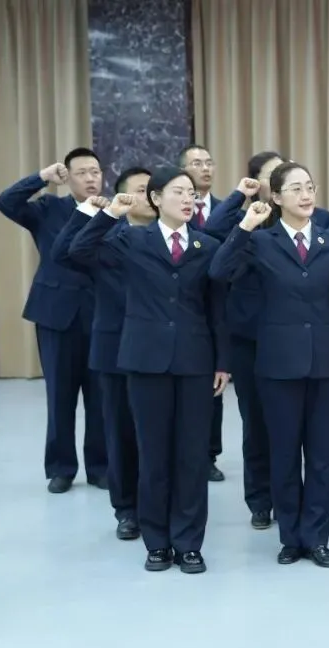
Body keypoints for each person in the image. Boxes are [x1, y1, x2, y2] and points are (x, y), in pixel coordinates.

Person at [69, 167, 230, 574]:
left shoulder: (206, 245)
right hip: (145, 361)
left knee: (191, 457)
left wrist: (223, 363)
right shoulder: (132, 239)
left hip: (195, 361)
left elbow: (217, 308)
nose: (189, 199)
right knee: (154, 454)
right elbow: (79, 250)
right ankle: (157, 543)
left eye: (192, 193)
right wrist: (110, 213)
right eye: (179, 192)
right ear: (156, 198)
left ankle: (189, 544)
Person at [210, 162, 329, 568]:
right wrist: (245, 226)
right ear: (275, 197)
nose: (306, 194)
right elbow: (219, 271)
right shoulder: (261, 241)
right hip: (277, 364)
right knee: (284, 453)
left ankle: (318, 537)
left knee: (322, 456)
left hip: (328, 362)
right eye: (295, 188)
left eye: (309, 187)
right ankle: (291, 536)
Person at [0, 148, 108, 494]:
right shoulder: (49, 209)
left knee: (101, 397)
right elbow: (6, 202)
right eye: (82, 172)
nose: (91, 178)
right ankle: (60, 468)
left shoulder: (111, 212)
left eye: (96, 171)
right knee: (59, 394)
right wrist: (41, 178)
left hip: (100, 315)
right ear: (68, 177)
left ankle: (101, 467)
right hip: (56, 314)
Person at [51, 166, 154, 540]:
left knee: (159, 435)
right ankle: (127, 510)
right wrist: (95, 213)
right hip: (115, 350)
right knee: (121, 432)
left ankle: (160, 506)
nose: (147, 196)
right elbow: (63, 253)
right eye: (139, 190)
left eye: (152, 189)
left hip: (160, 350)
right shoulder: (107, 237)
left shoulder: (173, 237)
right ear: (122, 196)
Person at [180, 143, 227, 483]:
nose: (205, 168)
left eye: (209, 163)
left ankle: (210, 454)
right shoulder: (170, 213)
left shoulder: (227, 209)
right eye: (196, 164)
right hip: (183, 303)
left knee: (214, 387)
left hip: (217, 302)